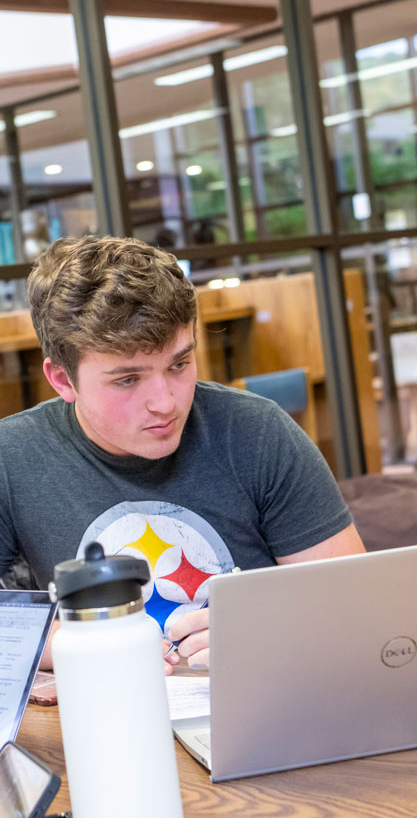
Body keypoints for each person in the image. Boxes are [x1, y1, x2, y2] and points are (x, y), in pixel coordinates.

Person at [0, 235, 364, 671]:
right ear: (62, 380)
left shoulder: (258, 432)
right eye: (128, 380)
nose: (166, 402)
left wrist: (273, 628)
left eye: (178, 365)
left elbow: (354, 601)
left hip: (265, 697)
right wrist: (73, 643)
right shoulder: (12, 456)